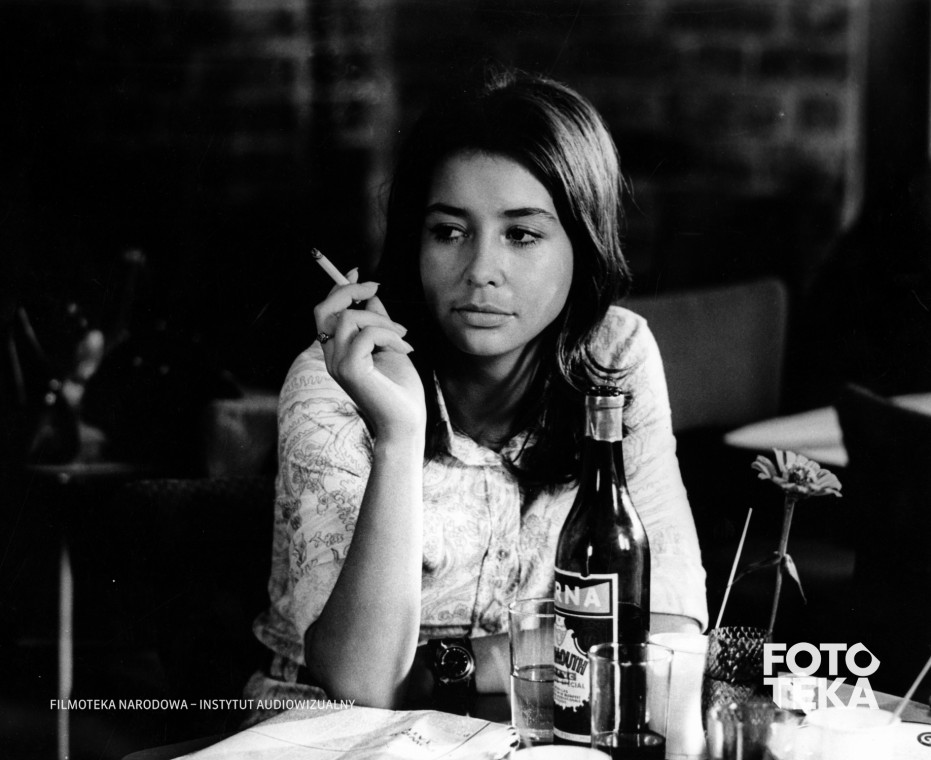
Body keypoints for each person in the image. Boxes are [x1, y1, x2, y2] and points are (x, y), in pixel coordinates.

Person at [244, 67, 707, 717]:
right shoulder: (336, 376)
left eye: (522, 234)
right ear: (414, 239)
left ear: (583, 242)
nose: (481, 271)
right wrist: (399, 434)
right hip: (332, 736)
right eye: (449, 231)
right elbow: (363, 685)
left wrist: (446, 669)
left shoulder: (615, 353)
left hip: (532, 724)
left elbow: (672, 626)